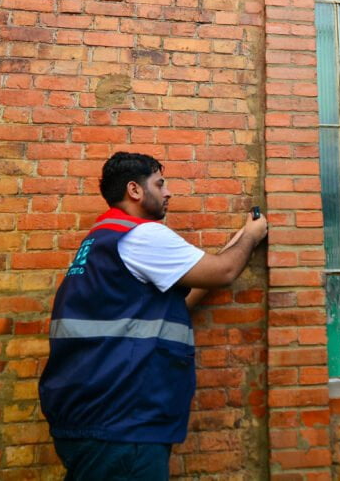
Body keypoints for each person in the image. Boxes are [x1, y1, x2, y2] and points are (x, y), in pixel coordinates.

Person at [39, 152, 268, 480]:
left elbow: (174, 302)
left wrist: (233, 245)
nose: (168, 192)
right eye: (159, 184)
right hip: (122, 425)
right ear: (134, 190)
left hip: (96, 418)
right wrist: (251, 236)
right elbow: (224, 272)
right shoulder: (141, 236)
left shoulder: (102, 239)